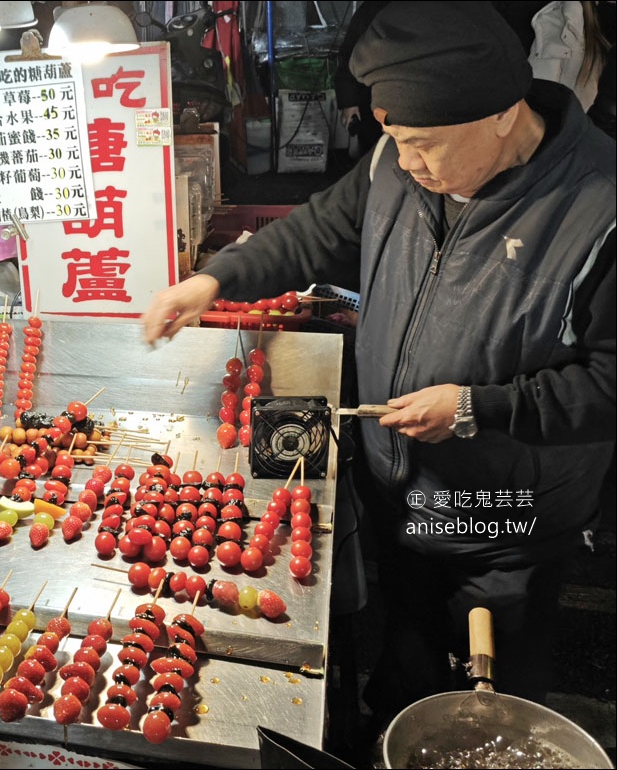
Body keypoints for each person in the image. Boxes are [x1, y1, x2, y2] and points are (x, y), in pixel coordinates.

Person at [142, 0, 615, 729]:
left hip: (506, 524)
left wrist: (473, 408)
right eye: (394, 140)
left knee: (493, 699)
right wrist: (216, 278)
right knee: (409, 661)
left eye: (424, 144)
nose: (408, 162)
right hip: (405, 491)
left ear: (500, 112)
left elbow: (608, 385)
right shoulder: (400, 161)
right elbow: (318, 229)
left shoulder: (598, 209)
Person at [333, 0, 391, 159]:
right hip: (375, 101)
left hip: (421, 102)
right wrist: (349, 102)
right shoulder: (373, 9)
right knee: (376, 156)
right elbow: (350, 55)